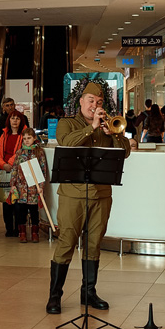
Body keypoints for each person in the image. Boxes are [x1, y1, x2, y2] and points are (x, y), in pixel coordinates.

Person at [46, 83, 131, 314]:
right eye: (91, 100)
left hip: (101, 194)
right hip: (73, 194)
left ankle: (88, 293)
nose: (95, 105)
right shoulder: (67, 123)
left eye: (99, 102)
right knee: (67, 242)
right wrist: (91, 127)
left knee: (94, 244)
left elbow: (125, 152)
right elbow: (66, 143)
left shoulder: (108, 126)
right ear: (81, 101)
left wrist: (114, 135)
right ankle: (55, 296)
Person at [7, 125, 49, 243]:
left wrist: (41, 186)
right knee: (21, 211)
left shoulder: (39, 152)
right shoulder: (19, 152)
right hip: (21, 187)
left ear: (34, 138)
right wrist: (13, 184)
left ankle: (35, 233)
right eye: (24, 138)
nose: (26, 140)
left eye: (29, 138)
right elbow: (15, 168)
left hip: (34, 188)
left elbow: (43, 170)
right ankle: (22, 233)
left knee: (34, 211)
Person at [0, 111, 29, 238]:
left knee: (19, 203)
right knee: (6, 202)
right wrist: (3, 165)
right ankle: (9, 228)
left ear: (21, 121)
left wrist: (9, 164)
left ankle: (19, 228)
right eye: (12, 118)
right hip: (5, 171)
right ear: (8, 120)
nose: (15, 121)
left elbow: (22, 151)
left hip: (19, 172)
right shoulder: (4, 134)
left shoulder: (25, 135)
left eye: (17, 119)